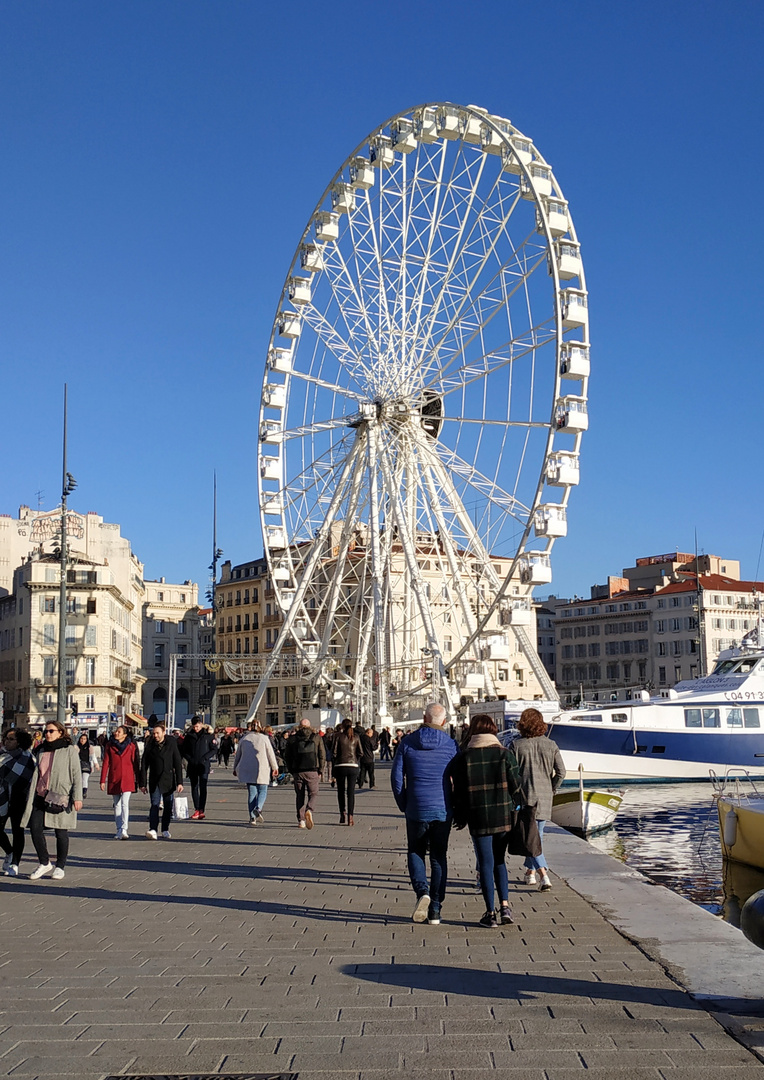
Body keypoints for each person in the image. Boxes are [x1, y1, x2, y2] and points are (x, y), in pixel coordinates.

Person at [449, 713, 522, 928]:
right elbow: (517, 787)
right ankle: (506, 907)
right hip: (503, 817)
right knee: (500, 861)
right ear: (493, 730)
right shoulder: (504, 754)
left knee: (486, 864)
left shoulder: (464, 758)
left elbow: (458, 792)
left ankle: (490, 913)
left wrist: (460, 816)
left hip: (477, 817)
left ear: (473, 731)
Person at [390, 702, 458, 926]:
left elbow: (397, 778)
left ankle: (422, 892)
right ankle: (436, 909)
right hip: (442, 808)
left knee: (416, 851)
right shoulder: (450, 745)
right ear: (444, 722)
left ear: (423, 718)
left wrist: (404, 804)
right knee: (439, 857)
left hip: (416, 807)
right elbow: (457, 779)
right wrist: (455, 806)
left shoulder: (408, 743)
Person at [512, 707, 566, 891]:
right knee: (537, 837)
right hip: (545, 797)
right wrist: (552, 787)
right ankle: (531, 873)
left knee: (532, 838)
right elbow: (561, 772)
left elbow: (511, 774)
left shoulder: (516, 746)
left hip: (524, 797)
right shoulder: (551, 745)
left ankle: (543, 875)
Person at [22, 719, 83, 880]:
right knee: (35, 828)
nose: (47, 734)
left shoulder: (69, 750)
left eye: (51, 731)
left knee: (61, 831)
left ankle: (60, 866)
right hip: (40, 795)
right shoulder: (41, 750)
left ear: (60, 732)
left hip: (60, 796)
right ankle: (44, 862)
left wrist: (77, 797)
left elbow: (76, 774)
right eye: (46, 731)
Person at [139, 722, 184, 840]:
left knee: (168, 805)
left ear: (164, 733)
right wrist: (142, 783)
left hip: (168, 779)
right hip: (155, 780)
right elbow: (144, 764)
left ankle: (165, 829)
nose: (155, 736)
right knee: (154, 804)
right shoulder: (150, 745)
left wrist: (180, 782)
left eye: (158, 733)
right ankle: (153, 829)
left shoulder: (171, 743)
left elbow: (177, 762)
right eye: (154, 733)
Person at [0, 729, 35, 876]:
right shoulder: (3, 757)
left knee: (17, 831)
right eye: (6, 738)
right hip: (2, 797)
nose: (7, 741)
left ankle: (15, 863)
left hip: (19, 798)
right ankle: (9, 851)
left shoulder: (28, 758)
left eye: (11, 739)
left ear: (19, 741)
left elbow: (26, 779)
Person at [283, 717, 326, 829]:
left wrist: (291, 770)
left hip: (298, 771)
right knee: (313, 793)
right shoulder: (316, 738)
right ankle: (309, 809)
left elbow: (287, 756)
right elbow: (322, 755)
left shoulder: (292, 739)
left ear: (299, 726)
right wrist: (321, 769)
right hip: (312, 770)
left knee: (299, 795)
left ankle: (301, 820)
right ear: (310, 726)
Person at [100, 725, 141, 839]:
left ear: (125, 735)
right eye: (115, 731)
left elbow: (135, 763)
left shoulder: (131, 746)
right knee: (117, 804)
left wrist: (139, 780)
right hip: (114, 778)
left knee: (124, 803)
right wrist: (102, 780)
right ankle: (118, 829)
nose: (116, 733)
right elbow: (106, 763)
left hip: (127, 779)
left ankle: (124, 828)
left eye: (119, 732)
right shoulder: (109, 745)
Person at [232, 722, 278, 824]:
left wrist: (235, 768)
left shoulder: (244, 738)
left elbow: (238, 755)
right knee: (263, 790)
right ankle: (258, 808)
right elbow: (270, 754)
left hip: (248, 769)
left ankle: (252, 818)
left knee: (252, 793)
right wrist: (275, 767)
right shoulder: (264, 738)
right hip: (262, 768)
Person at [180, 717, 216, 820]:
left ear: (201, 724)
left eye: (197, 726)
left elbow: (214, 749)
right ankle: (197, 809)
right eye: (194, 726)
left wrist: (205, 758)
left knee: (203, 787)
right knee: (194, 787)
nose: (196, 728)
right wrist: (189, 759)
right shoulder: (189, 736)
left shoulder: (208, 735)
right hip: (192, 765)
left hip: (203, 765)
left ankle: (201, 810)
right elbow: (184, 750)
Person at [331, 718, 362, 825]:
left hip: (340, 766)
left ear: (342, 726)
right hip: (353, 766)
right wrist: (355, 760)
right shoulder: (356, 737)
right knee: (351, 792)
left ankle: (342, 814)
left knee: (341, 791)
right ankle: (350, 817)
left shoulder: (338, 736)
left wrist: (337, 760)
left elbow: (334, 752)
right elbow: (360, 752)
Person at [76, 732, 95, 799]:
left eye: (84, 739)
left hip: (87, 765)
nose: (83, 740)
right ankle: (79, 791)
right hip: (78, 766)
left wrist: (96, 764)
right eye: (81, 738)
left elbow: (93, 756)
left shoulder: (90, 747)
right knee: (79, 779)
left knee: (84, 779)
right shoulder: (76, 747)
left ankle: (84, 792)